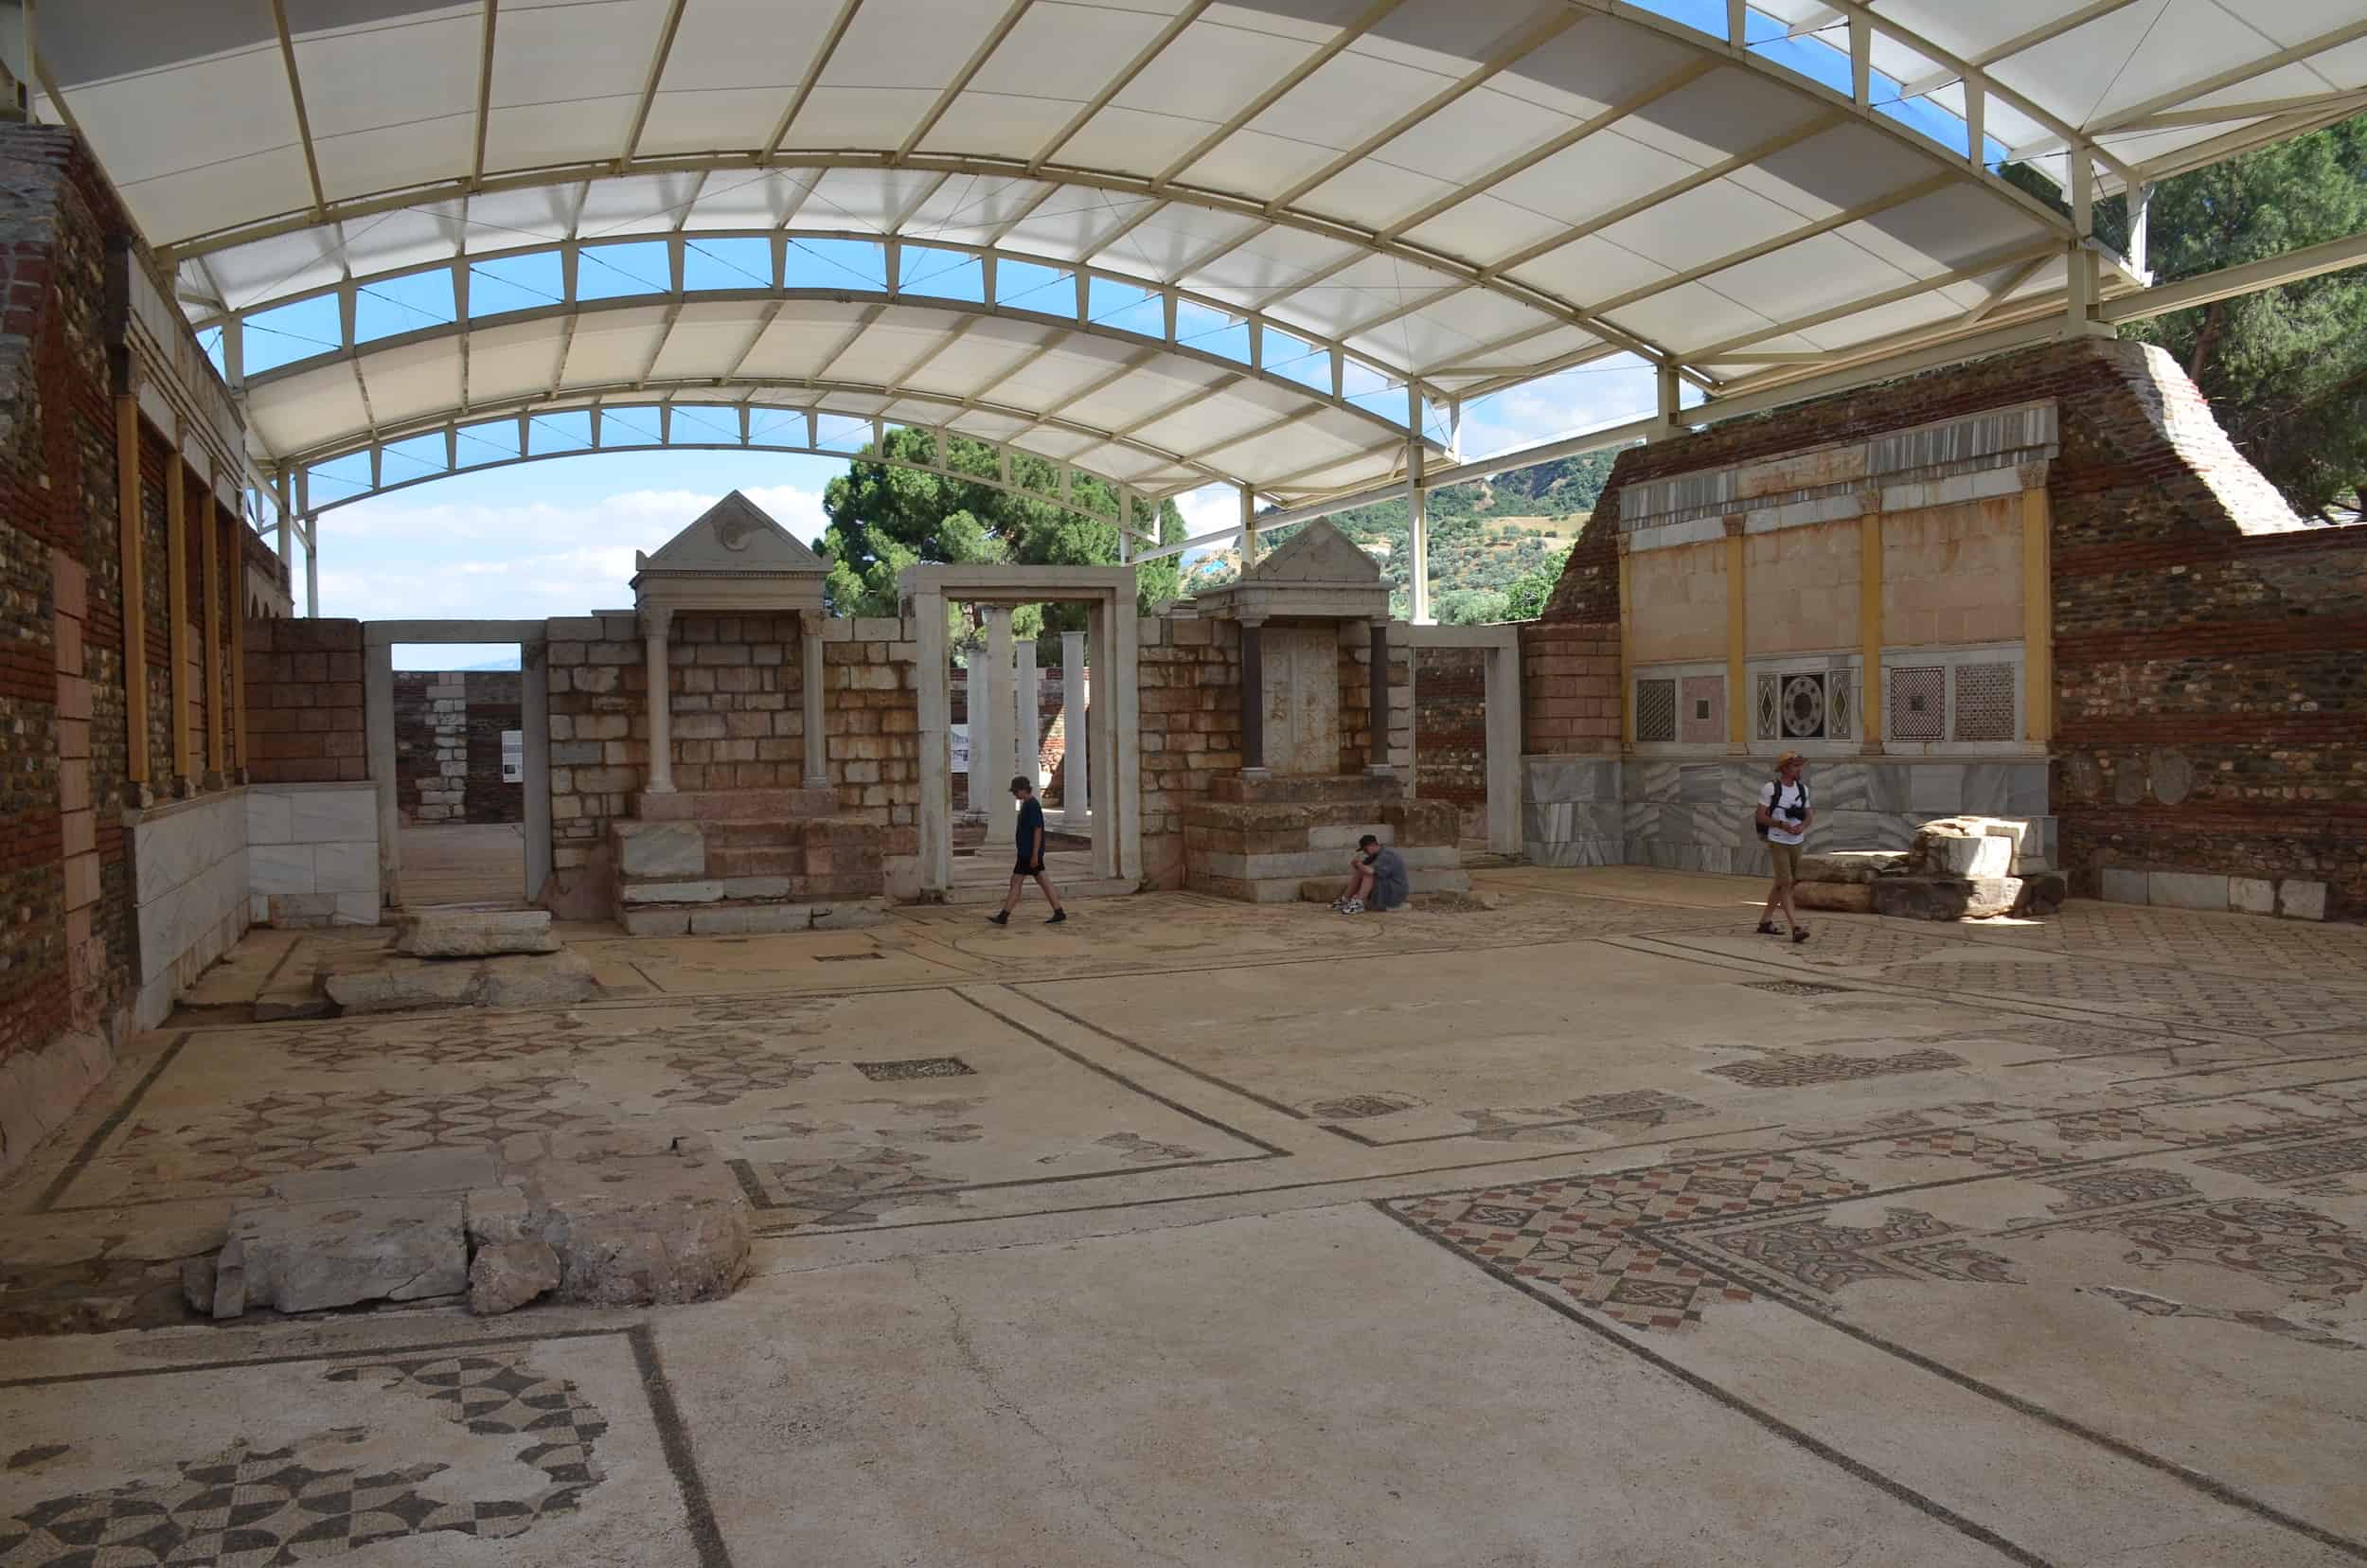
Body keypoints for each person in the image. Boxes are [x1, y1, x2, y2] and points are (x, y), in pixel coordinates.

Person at [989, 775, 1067, 926]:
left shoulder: (1032, 805)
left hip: (1028, 853)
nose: (1014, 794)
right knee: (1042, 880)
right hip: (1027, 852)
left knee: (1017, 881)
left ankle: (1004, 916)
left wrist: (1035, 855)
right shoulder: (1027, 804)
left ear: (1024, 789)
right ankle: (1059, 911)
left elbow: (1037, 830)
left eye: (1016, 791)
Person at [1756, 751, 1812, 943]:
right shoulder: (1770, 788)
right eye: (1795, 766)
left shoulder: (1803, 790)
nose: (1799, 769)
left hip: (1796, 841)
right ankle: (1796, 927)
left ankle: (1765, 922)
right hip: (1778, 839)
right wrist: (1782, 825)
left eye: (1800, 765)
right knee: (1786, 882)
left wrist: (1801, 826)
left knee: (1784, 882)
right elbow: (1760, 816)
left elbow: (1809, 815)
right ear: (1785, 768)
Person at [1332, 833, 1409, 914]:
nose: (1365, 852)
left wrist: (1359, 865)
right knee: (1361, 870)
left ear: (1373, 845)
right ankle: (1344, 900)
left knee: (1368, 873)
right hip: (1385, 889)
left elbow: (1370, 871)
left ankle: (1359, 903)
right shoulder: (1375, 855)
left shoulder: (1386, 855)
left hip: (1395, 894)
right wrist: (1357, 865)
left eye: (1366, 849)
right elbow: (1362, 869)